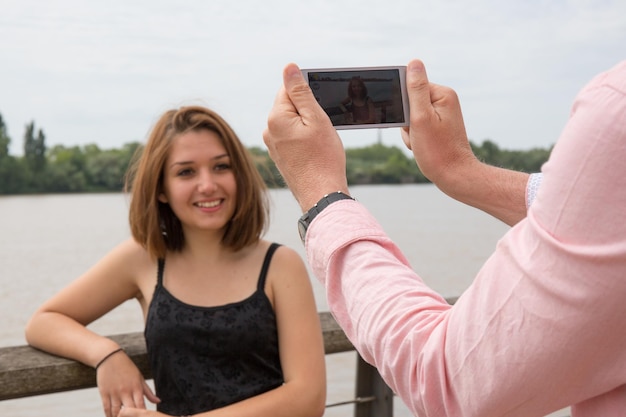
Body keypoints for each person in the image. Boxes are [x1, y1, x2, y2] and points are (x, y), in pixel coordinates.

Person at [263, 59, 626, 417]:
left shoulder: (616, 107)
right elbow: (607, 211)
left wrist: (321, 196)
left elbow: (446, 382)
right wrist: (461, 171)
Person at [25, 105, 326, 417]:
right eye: (186, 172)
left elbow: (308, 397)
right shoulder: (143, 258)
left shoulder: (280, 265)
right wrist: (106, 354)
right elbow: (44, 321)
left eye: (221, 167)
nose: (208, 185)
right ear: (161, 190)